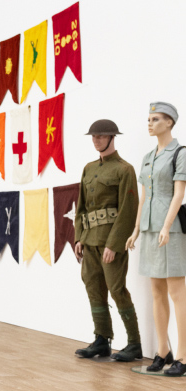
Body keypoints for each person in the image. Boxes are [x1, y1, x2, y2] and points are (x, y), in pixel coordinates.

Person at [74, 120, 141, 361]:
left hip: (111, 241)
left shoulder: (124, 169)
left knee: (116, 289)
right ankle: (102, 339)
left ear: (113, 137)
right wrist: (79, 237)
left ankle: (134, 343)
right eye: (93, 136)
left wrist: (114, 244)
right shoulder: (88, 168)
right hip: (89, 241)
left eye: (101, 136)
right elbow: (80, 206)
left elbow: (128, 210)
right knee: (93, 288)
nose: (96, 140)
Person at [126, 102, 186, 376]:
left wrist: (167, 224)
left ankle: (183, 357)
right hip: (150, 230)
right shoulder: (148, 156)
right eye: (148, 118)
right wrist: (137, 229)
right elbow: (143, 198)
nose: (150, 123)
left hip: (169, 230)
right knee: (156, 293)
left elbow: (178, 194)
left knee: (177, 293)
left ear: (170, 122)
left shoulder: (180, 153)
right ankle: (163, 349)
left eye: (156, 119)